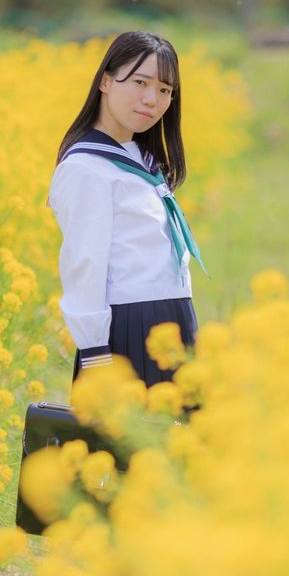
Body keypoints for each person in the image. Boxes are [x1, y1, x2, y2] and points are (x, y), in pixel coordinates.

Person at [49, 31, 208, 390]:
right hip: (129, 329)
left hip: (172, 319)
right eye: (140, 82)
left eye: (165, 90)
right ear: (106, 80)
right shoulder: (86, 168)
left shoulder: (140, 159)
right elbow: (84, 266)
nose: (152, 99)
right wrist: (95, 355)